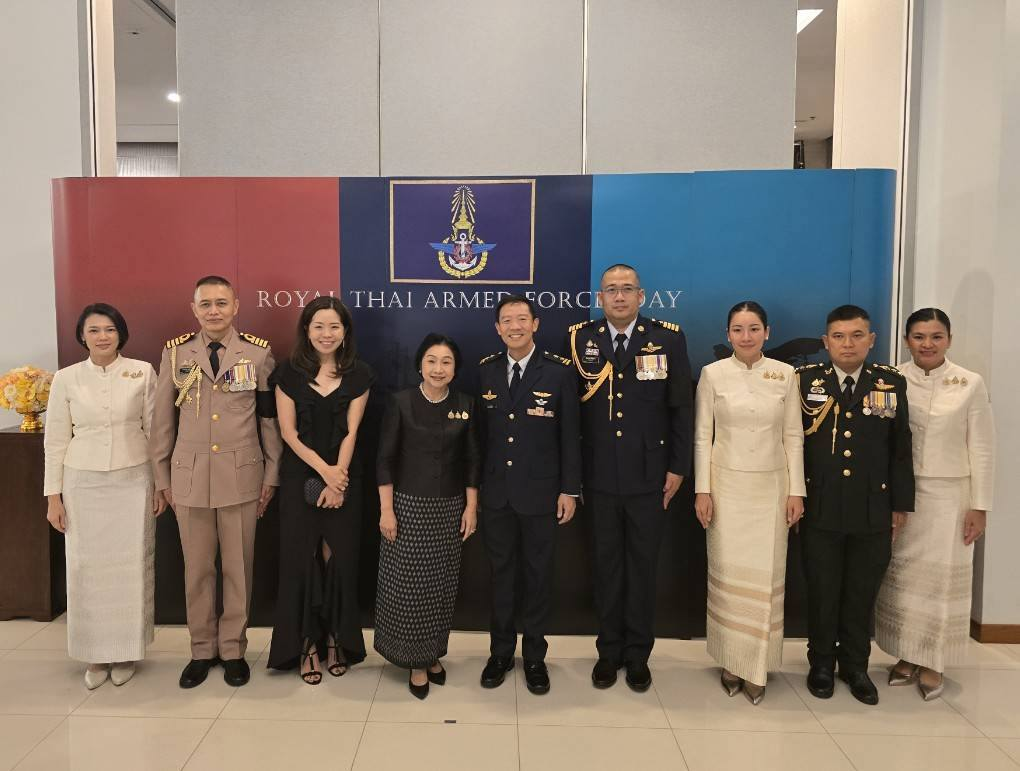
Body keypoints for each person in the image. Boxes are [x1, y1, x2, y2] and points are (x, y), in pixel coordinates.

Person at [150, 275, 282, 689]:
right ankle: (202, 649)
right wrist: (161, 476)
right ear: (194, 309)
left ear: (236, 306)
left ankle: (233, 649)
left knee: (238, 569)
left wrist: (272, 473)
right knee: (197, 570)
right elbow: (162, 422)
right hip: (189, 478)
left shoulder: (257, 354)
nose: (213, 311)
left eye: (221, 303)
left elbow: (268, 420)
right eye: (205, 303)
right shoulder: (175, 354)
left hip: (242, 475)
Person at [566, 264, 692, 692]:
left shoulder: (667, 339)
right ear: (599, 298)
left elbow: (681, 408)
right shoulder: (579, 339)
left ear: (641, 296)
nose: (618, 297)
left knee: (642, 568)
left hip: (649, 476)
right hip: (598, 475)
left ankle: (638, 655)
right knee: (606, 567)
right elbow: (571, 414)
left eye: (626, 289)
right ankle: (608, 652)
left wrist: (678, 467)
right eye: (610, 290)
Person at [796, 304, 914, 705]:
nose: (848, 344)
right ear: (826, 341)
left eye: (857, 335)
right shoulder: (805, 381)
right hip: (821, 505)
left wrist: (900, 504)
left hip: (872, 507)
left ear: (871, 340)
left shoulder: (889, 383)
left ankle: (856, 666)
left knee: (861, 592)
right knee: (823, 590)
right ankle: (821, 664)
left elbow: (901, 447)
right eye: (839, 336)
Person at [875, 308, 995, 700]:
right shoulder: (891, 380)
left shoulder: (969, 383)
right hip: (903, 495)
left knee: (940, 582)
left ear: (949, 339)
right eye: (919, 337)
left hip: (950, 497)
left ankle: (935, 662)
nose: (927, 344)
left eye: (936, 336)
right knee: (905, 578)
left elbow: (982, 447)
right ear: (906, 341)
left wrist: (979, 506)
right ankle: (907, 655)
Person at [693, 301, 805, 705]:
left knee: (766, 580)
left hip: (771, 490)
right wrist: (702, 490)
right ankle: (730, 660)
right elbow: (702, 436)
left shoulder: (785, 374)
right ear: (728, 334)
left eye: (754, 329)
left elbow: (793, 435)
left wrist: (796, 491)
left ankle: (758, 666)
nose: (746, 336)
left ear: (767, 333)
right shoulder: (712, 374)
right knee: (729, 578)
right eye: (738, 330)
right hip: (727, 488)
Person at [44, 303, 159, 689]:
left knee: (131, 564)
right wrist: (53, 497)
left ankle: (126, 651)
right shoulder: (66, 378)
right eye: (94, 330)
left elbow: (155, 431)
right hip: (83, 482)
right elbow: (55, 440)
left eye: (110, 329)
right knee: (85, 567)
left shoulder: (142, 371)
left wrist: (160, 484)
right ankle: (93, 654)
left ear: (121, 333)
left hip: (133, 478)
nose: (103, 336)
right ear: (82, 336)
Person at [478, 295, 581, 695]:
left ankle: (535, 656)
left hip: (541, 494)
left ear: (535, 324)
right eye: (507, 320)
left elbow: (570, 436)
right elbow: (482, 437)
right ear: (497, 328)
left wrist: (569, 489)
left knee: (538, 576)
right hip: (497, 494)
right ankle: (500, 653)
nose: (515, 326)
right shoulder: (486, 370)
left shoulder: (558, 371)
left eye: (522, 319)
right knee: (501, 576)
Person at [267, 296, 373, 684]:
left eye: (334, 327)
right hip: (301, 477)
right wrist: (325, 472)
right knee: (302, 560)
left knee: (339, 561)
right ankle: (306, 645)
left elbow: (352, 431)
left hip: (346, 477)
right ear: (306, 330)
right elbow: (288, 433)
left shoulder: (360, 374)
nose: (327, 334)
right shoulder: (287, 373)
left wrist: (338, 477)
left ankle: (335, 640)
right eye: (319, 326)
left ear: (345, 332)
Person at [374, 333, 481, 699]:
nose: (438, 368)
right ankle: (415, 662)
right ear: (420, 364)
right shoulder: (401, 402)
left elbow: (472, 460)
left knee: (440, 587)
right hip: (407, 507)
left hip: (450, 508)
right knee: (409, 587)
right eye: (431, 361)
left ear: (455, 368)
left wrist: (471, 507)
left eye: (446, 362)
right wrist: (386, 510)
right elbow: (384, 459)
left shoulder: (466, 404)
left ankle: (433, 652)